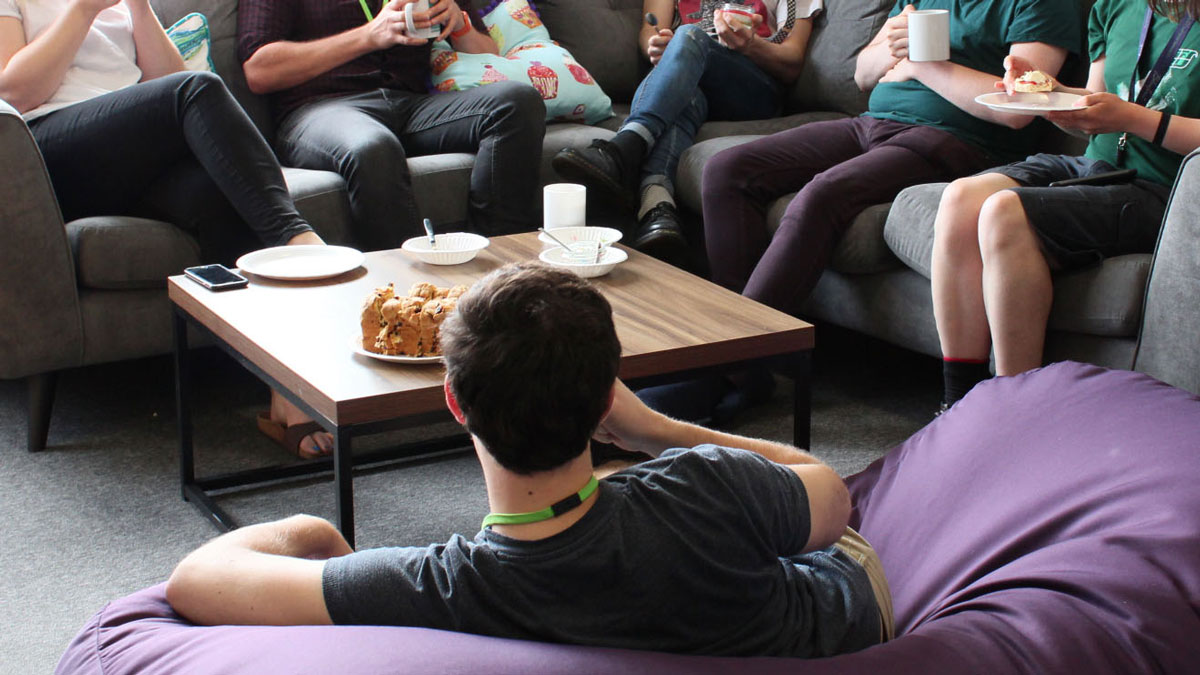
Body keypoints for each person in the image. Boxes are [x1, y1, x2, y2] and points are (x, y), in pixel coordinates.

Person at [165, 262, 894, 657]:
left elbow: (195, 580)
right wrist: (660, 432)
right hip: (830, 619)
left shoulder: (440, 585)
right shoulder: (701, 483)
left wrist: (312, 534)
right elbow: (831, 498)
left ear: (453, 400)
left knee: (610, 489)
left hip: (778, 587)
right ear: (607, 394)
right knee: (617, 483)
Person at [637, 0, 1080, 424]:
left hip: (956, 139)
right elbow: (865, 75)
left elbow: (1020, 108)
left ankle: (722, 365)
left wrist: (926, 68)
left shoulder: (1042, 3)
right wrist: (890, 46)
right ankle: (749, 368)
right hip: (872, 123)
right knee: (726, 171)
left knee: (821, 197)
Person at [0, 0, 335, 457]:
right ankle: (299, 242)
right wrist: (81, 10)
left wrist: (138, 7)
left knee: (218, 194)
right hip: (52, 149)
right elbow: (14, 91)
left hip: (132, 150)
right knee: (196, 89)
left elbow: (164, 80)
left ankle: (281, 386)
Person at [931, 0, 1200, 408]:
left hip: (1165, 189)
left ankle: (1015, 409)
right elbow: (1097, 98)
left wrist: (1133, 118)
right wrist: (1049, 93)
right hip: (1095, 164)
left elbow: (1124, 113)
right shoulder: (1115, 6)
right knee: (961, 198)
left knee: (1006, 211)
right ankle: (960, 406)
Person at [236, 0, 546, 248]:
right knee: (372, 147)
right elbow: (259, 70)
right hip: (320, 110)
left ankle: (501, 265)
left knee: (516, 102)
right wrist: (369, 35)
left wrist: (459, 22)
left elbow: (487, 53)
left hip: (409, 105)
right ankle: (408, 295)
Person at [551, 0, 820, 262]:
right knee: (688, 91)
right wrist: (656, 48)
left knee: (689, 34)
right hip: (689, 84)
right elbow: (650, 32)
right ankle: (657, 205)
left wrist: (751, 45)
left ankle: (628, 145)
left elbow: (792, 60)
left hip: (752, 90)